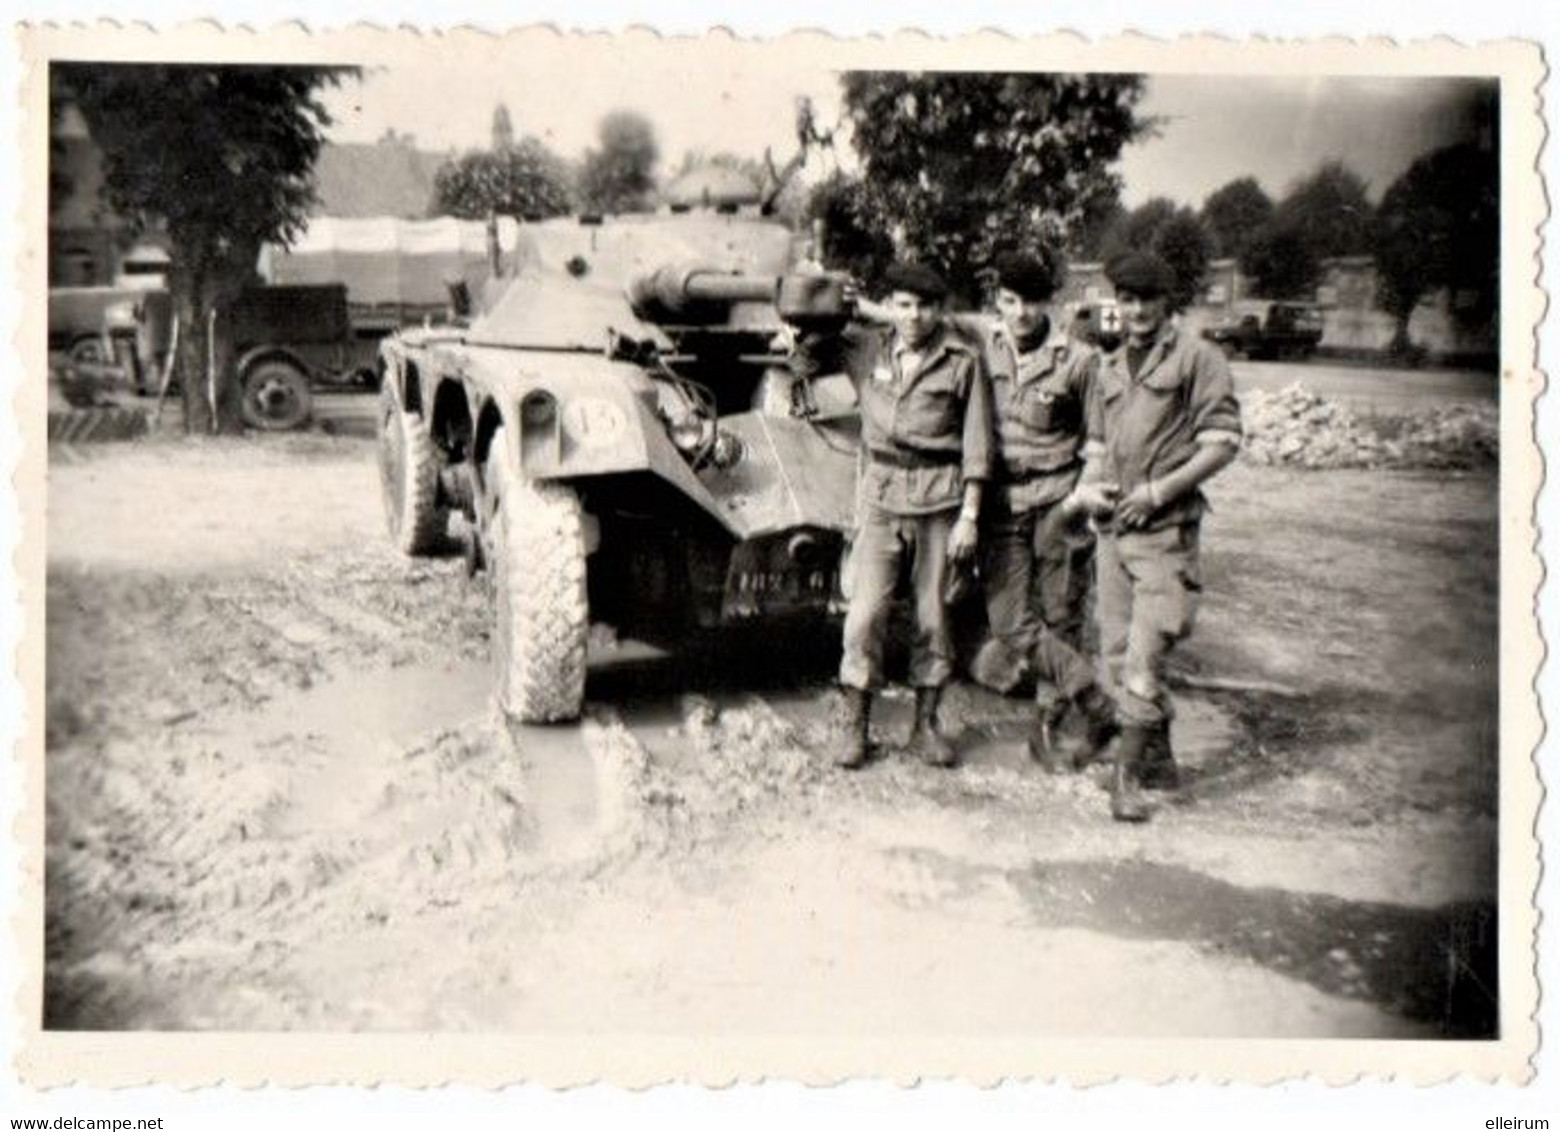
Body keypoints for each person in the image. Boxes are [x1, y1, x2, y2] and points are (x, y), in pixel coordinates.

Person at [1065, 251, 1243, 822]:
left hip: (1165, 534)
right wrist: (1086, 493)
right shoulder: (1110, 368)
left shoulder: (1199, 359)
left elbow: (1222, 443)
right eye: (1127, 297)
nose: (1136, 309)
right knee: (1117, 656)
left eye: (1147, 298)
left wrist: (1159, 492)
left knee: (1144, 659)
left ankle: (1128, 779)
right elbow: (1096, 449)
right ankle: (1159, 758)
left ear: (1169, 303)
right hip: (1114, 536)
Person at [952, 252, 1117, 773]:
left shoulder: (1080, 360)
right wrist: (859, 303)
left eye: (1030, 302)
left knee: (1060, 614)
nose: (1020, 313)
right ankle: (1094, 699)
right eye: (1009, 302)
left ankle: (1049, 727)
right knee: (1009, 620)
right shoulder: (986, 338)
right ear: (996, 303)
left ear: (1049, 303)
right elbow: (922, 315)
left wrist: (1078, 506)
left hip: (1056, 503)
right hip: (1003, 504)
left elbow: (1098, 444)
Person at [834, 262, 993, 770]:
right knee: (863, 617)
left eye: (925, 305)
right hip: (880, 495)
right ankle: (855, 726)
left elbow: (976, 445)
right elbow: (807, 345)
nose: (914, 316)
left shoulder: (962, 360)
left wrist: (970, 515)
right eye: (903, 304)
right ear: (891, 307)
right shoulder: (866, 349)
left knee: (934, 617)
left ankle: (925, 726)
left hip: (938, 500)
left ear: (940, 309)